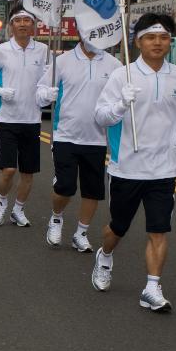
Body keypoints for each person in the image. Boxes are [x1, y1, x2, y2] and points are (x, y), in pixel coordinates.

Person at [91, 13, 176, 312]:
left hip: (164, 168)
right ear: (138, 42)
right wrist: (121, 105)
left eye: (163, 38)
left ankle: (151, 287)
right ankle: (105, 256)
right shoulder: (122, 76)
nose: (158, 43)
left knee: (159, 229)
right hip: (128, 167)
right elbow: (101, 116)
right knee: (117, 228)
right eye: (151, 37)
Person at [44, 36, 121, 251]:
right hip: (65, 135)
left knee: (92, 191)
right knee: (65, 187)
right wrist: (46, 94)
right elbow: (40, 89)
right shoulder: (63, 61)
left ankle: (81, 232)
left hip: (96, 139)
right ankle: (56, 218)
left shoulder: (114, 65)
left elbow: (119, 97)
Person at [0, 9, 56, 227]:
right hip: (7, 119)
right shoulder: (1, 51)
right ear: (11, 25)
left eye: (27, 21)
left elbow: (49, 79)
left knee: (28, 172)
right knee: (8, 169)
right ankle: (2, 202)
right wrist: (0, 91)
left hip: (32, 120)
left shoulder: (43, 50)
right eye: (18, 21)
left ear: (33, 26)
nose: (23, 24)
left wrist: (47, 94)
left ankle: (18, 209)